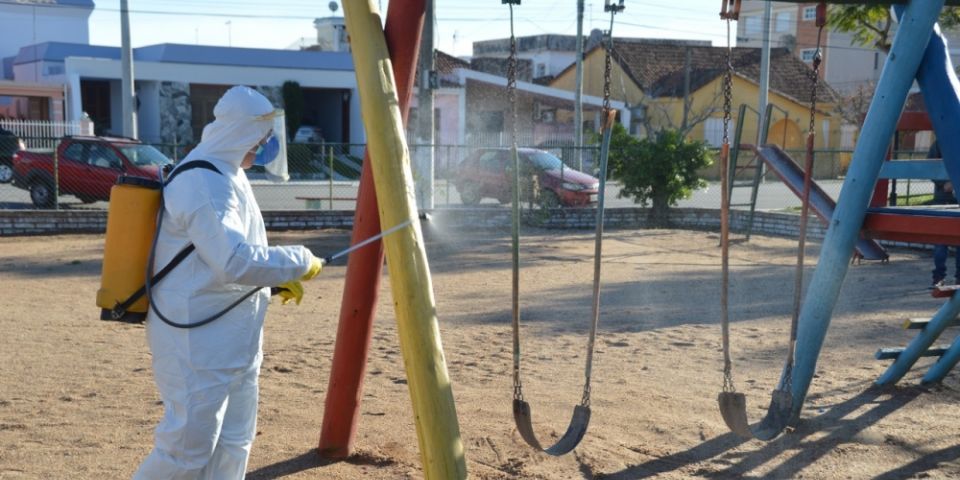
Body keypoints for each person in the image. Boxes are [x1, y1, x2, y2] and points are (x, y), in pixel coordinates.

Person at [133, 86, 323, 479]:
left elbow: (233, 251)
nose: (266, 145)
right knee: (185, 450)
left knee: (234, 440)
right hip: (196, 339)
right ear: (241, 133)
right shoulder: (203, 180)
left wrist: (271, 282)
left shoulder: (229, 172)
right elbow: (232, 261)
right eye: (262, 137)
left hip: (233, 334)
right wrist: (298, 262)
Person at [931, 180, 959, 286]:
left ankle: (957, 277)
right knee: (940, 244)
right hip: (943, 204)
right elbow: (947, 186)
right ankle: (939, 276)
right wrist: (944, 183)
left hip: (952, 204)